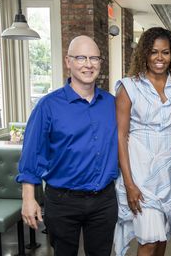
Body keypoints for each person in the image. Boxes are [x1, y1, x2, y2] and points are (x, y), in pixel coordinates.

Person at [16, 35, 119, 256]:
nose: (88, 64)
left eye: (94, 58)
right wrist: (28, 198)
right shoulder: (48, 106)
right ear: (68, 61)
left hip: (104, 200)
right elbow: (32, 154)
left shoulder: (112, 104)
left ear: (100, 63)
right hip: (63, 201)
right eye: (81, 58)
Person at [114, 27, 171, 256]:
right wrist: (129, 183)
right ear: (144, 54)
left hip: (170, 171)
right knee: (149, 240)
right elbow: (120, 135)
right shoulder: (129, 87)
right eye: (153, 52)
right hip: (140, 172)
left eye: (165, 52)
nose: (159, 58)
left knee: (161, 239)